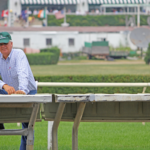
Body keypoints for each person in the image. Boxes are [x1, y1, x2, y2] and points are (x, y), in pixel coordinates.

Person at [0, 32, 37, 150]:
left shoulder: (19, 54)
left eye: (5, 43)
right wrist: (4, 85)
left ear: (11, 44)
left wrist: (22, 90)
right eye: (0, 44)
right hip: (10, 91)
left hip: (28, 90)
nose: (2, 46)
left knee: (27, 126)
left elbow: (22, 73)